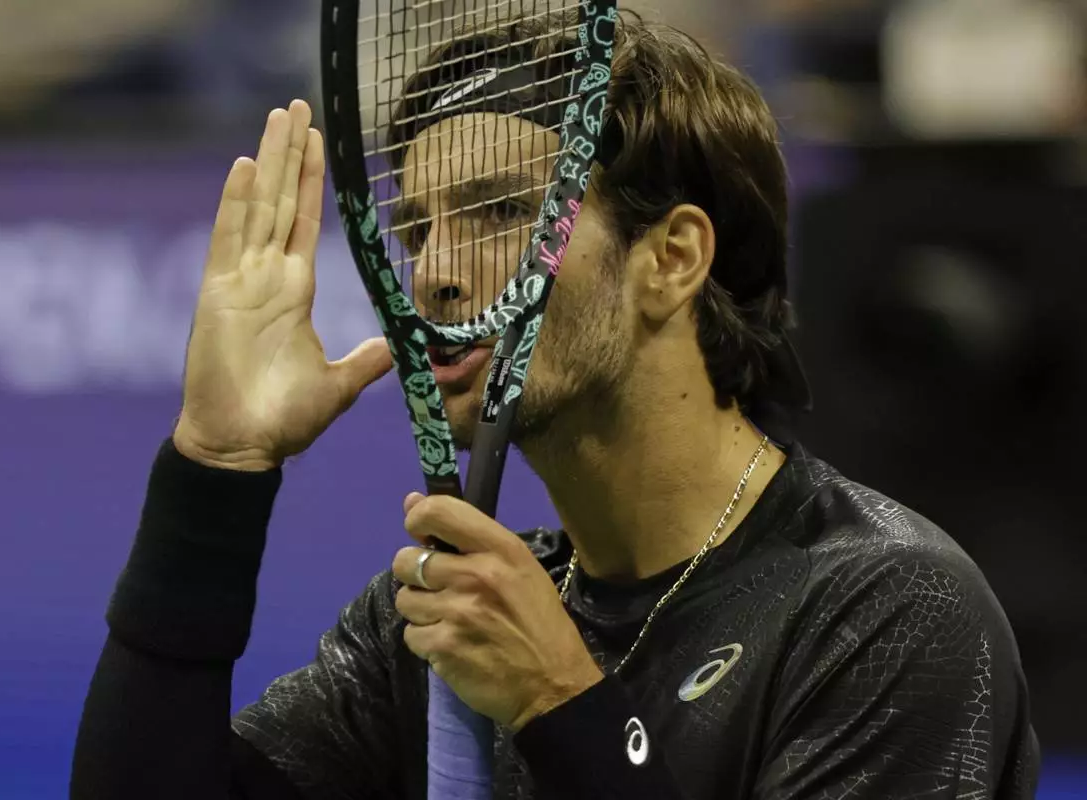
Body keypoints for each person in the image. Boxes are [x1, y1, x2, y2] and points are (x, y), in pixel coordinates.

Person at [71, 13, 1039, 799]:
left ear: (672, 258)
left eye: (499, 212)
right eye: (416, 228)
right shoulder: (434, 629)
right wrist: (214, 467)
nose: (435, 273)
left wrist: (560, 703)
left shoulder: (887, 610)